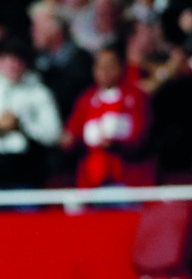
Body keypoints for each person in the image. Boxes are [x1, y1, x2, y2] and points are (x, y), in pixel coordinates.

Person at [0, 38, 63, 189]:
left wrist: (22, 125)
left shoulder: (38, 92)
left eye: (18, 61)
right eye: (7, 60)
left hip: (29, 170)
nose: (13, 66)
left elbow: (53, 134)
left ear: (26, 63)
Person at [61, 45, 151, 188]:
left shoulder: (136, 96)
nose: (104, 71)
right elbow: (72, 133)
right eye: (99, 66)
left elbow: (141, 137)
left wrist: (116, 144)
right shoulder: (86, 99)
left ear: (121, 67)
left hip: (128, 179)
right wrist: (68, 140)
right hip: (92, 181)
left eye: (110, 66)